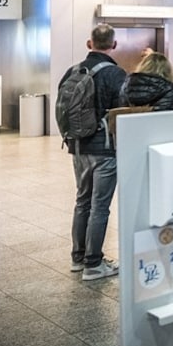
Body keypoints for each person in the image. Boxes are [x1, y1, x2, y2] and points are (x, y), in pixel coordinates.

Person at [61, 24, 127, 280]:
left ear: (89, 44)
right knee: (100, 206)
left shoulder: (72, 71)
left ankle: (78, 258)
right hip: (105, 149)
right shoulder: (115, 74)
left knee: (82, 201)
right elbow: (124, 109)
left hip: (77, 146)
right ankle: (94, 263)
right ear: (114, 45)